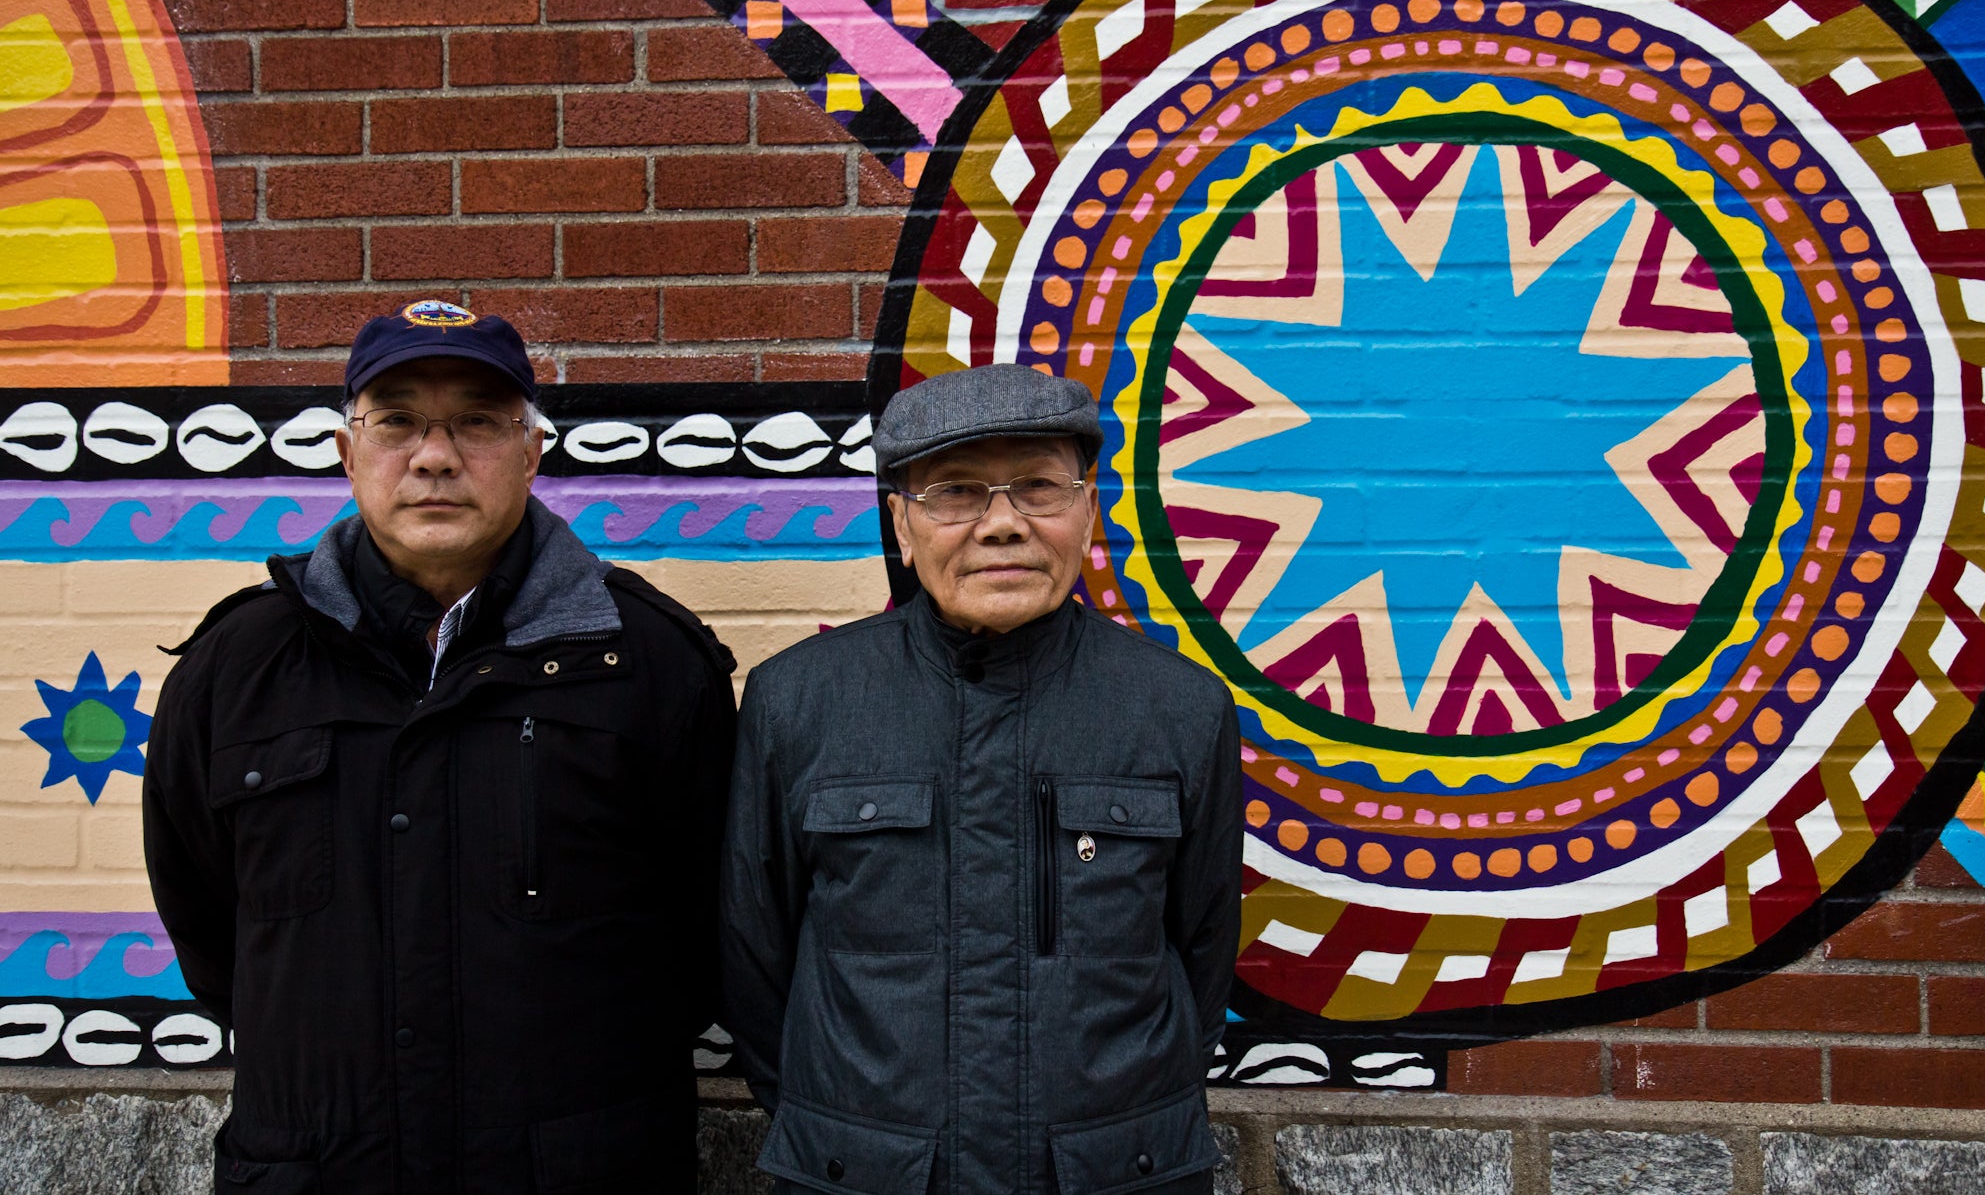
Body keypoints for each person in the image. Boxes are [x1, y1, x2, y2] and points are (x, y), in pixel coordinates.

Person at [143, 300, 735, 1193]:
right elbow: (207, 919)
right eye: (398, 422)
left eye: (477, 421)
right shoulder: (239, 665)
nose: (434, 455)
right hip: (319, 1170)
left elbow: (705, 933)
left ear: (533, 450)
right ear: (348, 454)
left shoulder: (647, 661)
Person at [720, 363, 1242, 1193]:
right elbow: (755, 960)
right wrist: (841, 1118)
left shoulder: (1179, 708)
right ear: (900, 524)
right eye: (956, 492)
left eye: (1039, 486)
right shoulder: (799, 702)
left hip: (1114, 1172)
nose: (1002, 525)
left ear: (1089, 507)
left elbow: (1203, 950)